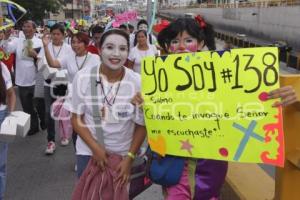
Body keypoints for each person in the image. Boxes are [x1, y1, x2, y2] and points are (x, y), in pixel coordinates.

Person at [133, 17, 298, 200]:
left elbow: (250, 96)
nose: (181, 46)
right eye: (174, 41)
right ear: (168, 46)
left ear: (201, 43)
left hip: (210, 166)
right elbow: (154, 120)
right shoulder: (159, 80)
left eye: (188, 40)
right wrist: (142, 104)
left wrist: (287, 93)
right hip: (174, 165)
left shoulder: (221, 75)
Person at [71, 29, 146, 199]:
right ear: (99, 49)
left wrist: (129, 158)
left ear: (128, 52)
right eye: (110, 47)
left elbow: (142, 125)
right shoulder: (82, 78)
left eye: (122, 49)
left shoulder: (137, 82)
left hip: (123, 156)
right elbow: (76, 119)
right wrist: (95, 148)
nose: (116, 54)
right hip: (88, 153)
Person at [42, 32, 101, 154]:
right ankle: (79, 155)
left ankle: (93, 153)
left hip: (90, 99)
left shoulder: (95, 58)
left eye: (79, 42)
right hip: (74, 99)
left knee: (90, 128)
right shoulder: (69, 58)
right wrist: (45, 46)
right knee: (76, 129)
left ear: (86, 43)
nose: (75, 45)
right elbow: (53, 64)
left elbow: (100, 79)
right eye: (73, 42)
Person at [2, 20, 43, 135]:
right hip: (22, 80)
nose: (25, 28)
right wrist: (5, 38)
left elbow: (43, 60)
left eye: (28, 26)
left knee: (40, 105)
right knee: (27, 107)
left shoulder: (39, 42)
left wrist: (36, 55)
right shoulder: (17, 41)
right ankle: (33, 127)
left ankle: (43, 120)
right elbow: (7, 50)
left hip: (36, 79)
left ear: (34, 29)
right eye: (24, 26)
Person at [38, 23, 72, 154]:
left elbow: (71, 66)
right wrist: (47, 76)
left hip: (63, 85)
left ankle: (64, 135)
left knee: (64, 112)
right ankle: (50, 141)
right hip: (48, 84)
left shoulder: (69, 48)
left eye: (58, 34)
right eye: (53, 34)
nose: (56, 36)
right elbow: (40, 62)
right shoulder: (45, 46)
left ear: (63, 35)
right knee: (49, 113)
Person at [0, 62, 16, 200]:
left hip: (1, 116)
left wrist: (10, 116)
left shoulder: (2, 67)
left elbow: (11, 94)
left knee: (0, 163)